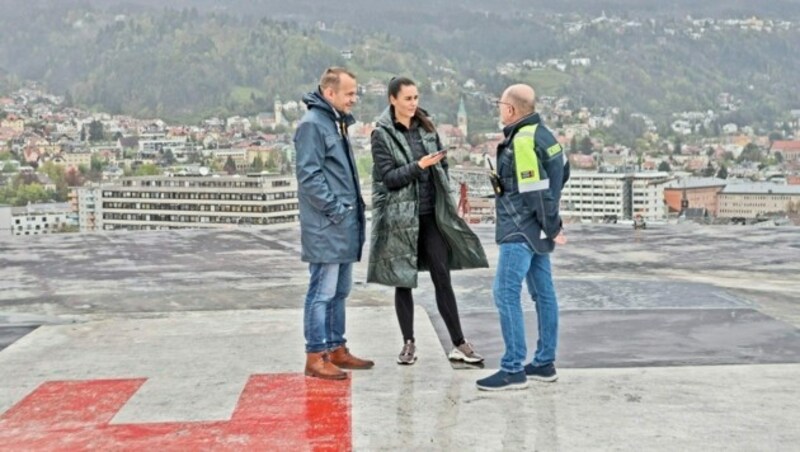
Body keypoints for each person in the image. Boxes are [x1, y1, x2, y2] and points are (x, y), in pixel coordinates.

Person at [368, 76, 489, 366]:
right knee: (403, 280)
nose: (413, 104)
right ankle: (408, 343)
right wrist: (419, 166)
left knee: (442, 276)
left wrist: (442, 186)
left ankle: (459, 343)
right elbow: (389, 178)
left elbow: (443, 165)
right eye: (408, 98)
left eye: (416, 98)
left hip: (430, 213)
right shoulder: (381, 134)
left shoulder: (427, 127)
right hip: (400, 217)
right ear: (392, 100)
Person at [476, 84, 570, 391]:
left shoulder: (522, 141)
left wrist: (553, 226)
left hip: (520, 229)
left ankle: (513, 368)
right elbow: (562, 174)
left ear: (511, 110)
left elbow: (534, 191)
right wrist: (551, 225)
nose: (499, 108)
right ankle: (544, 363)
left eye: (500, 103)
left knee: (505, 293)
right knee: (544, 294)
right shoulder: (545, 134)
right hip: (538, 230)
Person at [294, 67, 374, 380]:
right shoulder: (313, 125)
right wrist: (337, 210)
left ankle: (336, 348)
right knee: (321, 292)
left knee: (339, 291)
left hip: (341, 226)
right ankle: (316, 355)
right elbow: (309, 176)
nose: (355, 99)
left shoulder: (333, 123)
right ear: (330, 93)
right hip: (327, 226)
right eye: (349, 93)